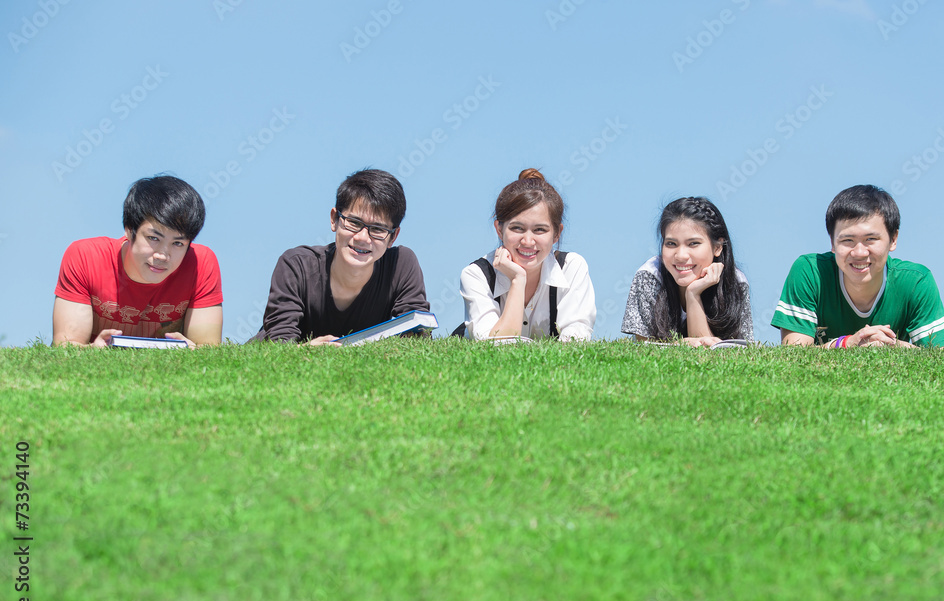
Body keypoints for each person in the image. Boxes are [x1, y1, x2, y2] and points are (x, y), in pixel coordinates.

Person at [251, 168, 429, 344]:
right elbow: (279, 343)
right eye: (353, 223)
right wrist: (306, 351)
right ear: (334, 219)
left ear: (393, 237)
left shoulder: (400, 264)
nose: (362, 238)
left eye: (377, 229)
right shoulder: (296, 266)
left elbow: (417, 334)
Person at [771, 184, 944, 348]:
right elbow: (794, 355)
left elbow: (942, 360)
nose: (859, 252)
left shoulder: (916, 282)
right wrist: (848, 343)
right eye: (848, 240)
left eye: (871, 239)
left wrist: (891, 345)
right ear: (832, 243)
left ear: (893, 239)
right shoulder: (810, 272)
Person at [53, 175, 223, 348]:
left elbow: (208, 348)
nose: (163, 255)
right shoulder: (85, 257)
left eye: (178, 243)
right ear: (129, 230)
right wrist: (92, 349)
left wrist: (192, 351)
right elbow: (65, 345)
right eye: (153, 238)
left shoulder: (201, 264)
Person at [458, 168, 596, 341]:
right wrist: (517, 280)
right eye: (517, 228)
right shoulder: (477, 275)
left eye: (540, 230)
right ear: (499, 230)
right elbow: (493, 349)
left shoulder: (571, 268)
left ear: (556, 234)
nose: (528, 241)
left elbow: (576, 340)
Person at [621, 197, 752, 347]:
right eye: (671, 243)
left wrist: (693, 294)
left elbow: (720, 354)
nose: (681, 255)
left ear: (717, 247)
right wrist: (679, 345)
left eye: (693, 244)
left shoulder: (736, 282)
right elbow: (643, 349)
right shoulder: (650, 275)